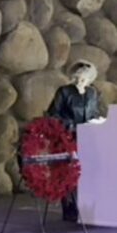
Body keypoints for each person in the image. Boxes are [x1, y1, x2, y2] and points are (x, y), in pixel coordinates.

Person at [46, 60, 107, 221]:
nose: (80, 81)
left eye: (84, 79)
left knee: (90, 171)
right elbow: (53, 115)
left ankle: (89, 207)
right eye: (78, 78)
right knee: (68, 173)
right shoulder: (64, 92)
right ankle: (70, 209)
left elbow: (94, 113)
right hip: (68, 138)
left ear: (90, 79)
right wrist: (71, 125)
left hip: (89, 138)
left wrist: (97, 121)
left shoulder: (92, 93)